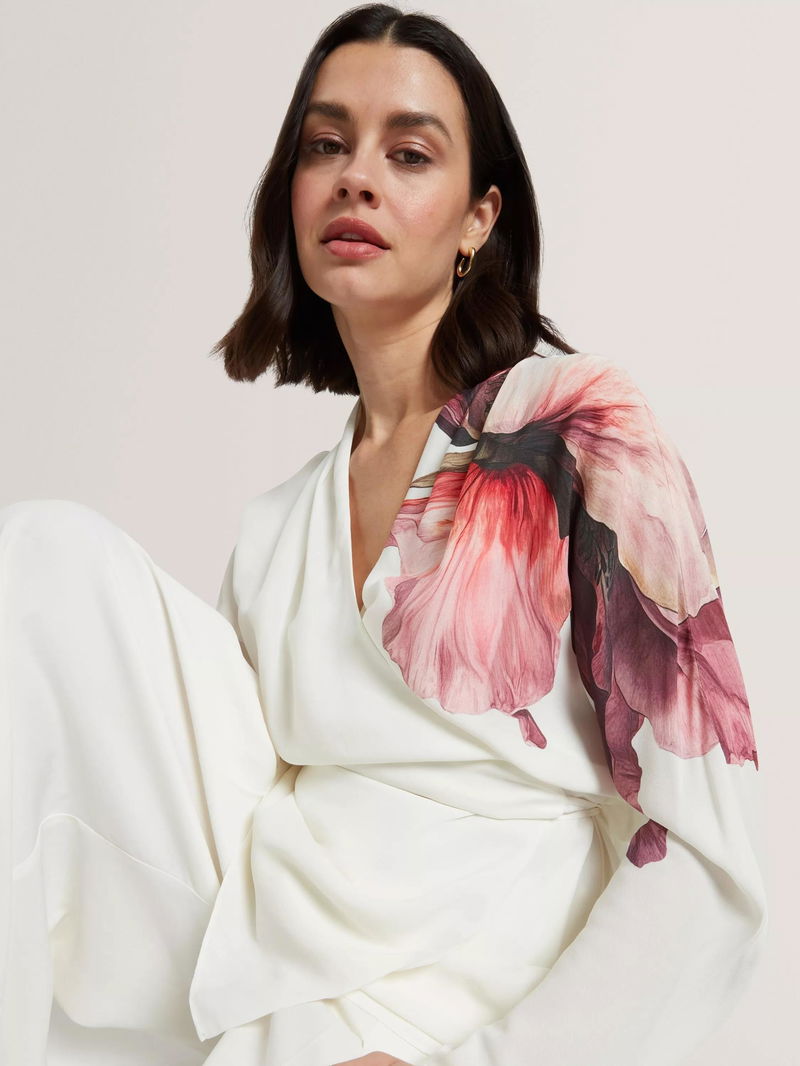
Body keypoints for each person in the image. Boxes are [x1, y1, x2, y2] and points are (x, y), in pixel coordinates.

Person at [1, 4, 768, 1065]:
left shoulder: (577, 427)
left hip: (481, 1017)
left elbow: (703, 856)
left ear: (479, 218)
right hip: (273, 981)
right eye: (326, 146)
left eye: (408, 153)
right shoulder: (277, 532)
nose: (355, 178)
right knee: (39, 575)